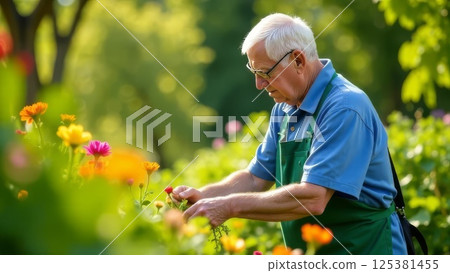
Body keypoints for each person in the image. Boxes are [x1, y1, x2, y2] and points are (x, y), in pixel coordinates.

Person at [172, 13, 407, 254]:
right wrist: (203, 196)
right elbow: (255, 179)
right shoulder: (284, 109)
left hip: (366, 251)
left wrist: (229, 206)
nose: (259, 85)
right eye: (253, 72)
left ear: (298, 60)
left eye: (264, 73)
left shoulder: (344, 106)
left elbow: (313, 198)